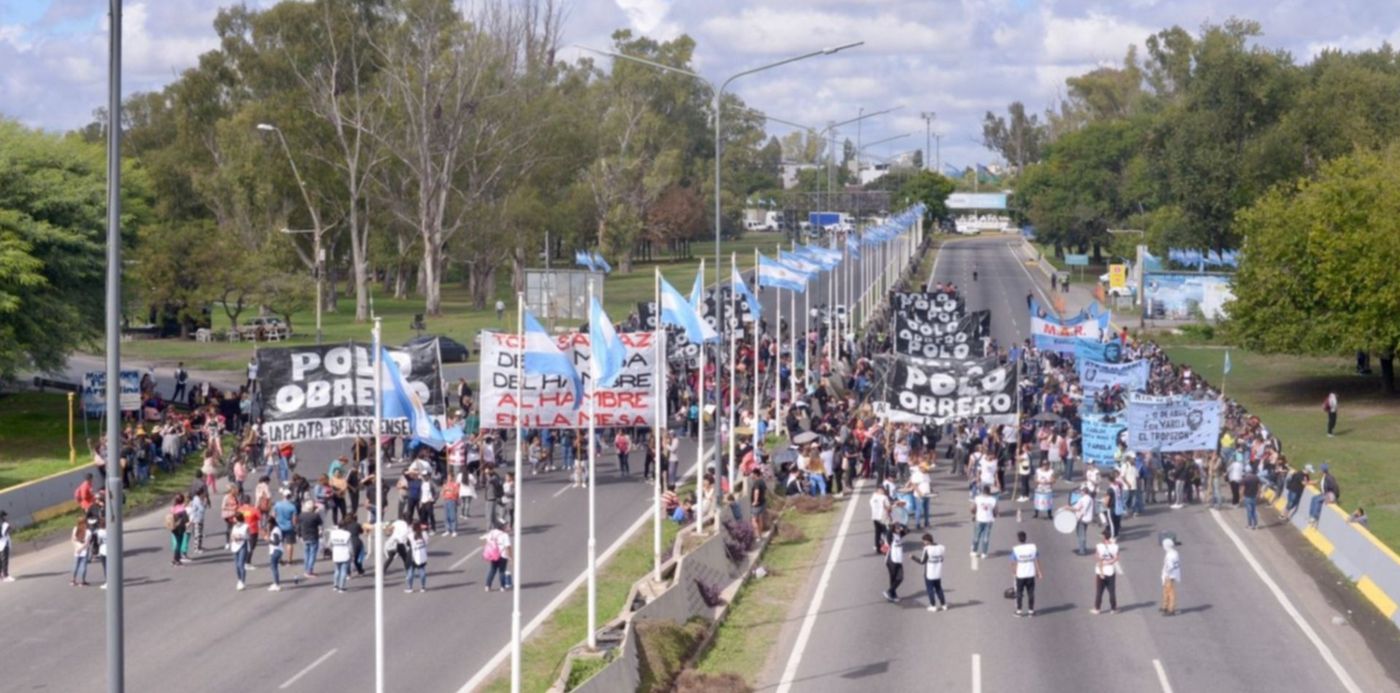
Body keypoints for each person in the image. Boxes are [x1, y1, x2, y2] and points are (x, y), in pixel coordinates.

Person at [912, 532, 947, 611]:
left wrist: (913, 557)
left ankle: (933, 605)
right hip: (938, 572)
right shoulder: (941, 547)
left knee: (930, 589)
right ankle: (943, 604)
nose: (923, 543)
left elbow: (922, 562)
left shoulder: (927, 549)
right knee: (939, 588)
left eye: (924, 541)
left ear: (927, 541)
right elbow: (942, 559)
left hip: (929, 573)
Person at [1011, 531, 1041, 617]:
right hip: (1030, 573)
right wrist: (1039, 572)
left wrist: (1014, 572)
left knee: (1019, 593)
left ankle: (1019, 611)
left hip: (1020, 574)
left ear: (1018, 539)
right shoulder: (1032, 548)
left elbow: (1013, 562)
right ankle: (1031, 611)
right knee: (1031, 593)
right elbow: (1037, 560)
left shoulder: (1016, 549)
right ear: (1026, 537)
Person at [1092, 530, 1120, 614]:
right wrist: (1110, 562)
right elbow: (1117, 557)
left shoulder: (1099, 546)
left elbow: (1096, 556)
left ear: (1104, 537)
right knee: (1111, 591)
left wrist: (1102, 561)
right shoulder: (1115, 546)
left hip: (1100, 570)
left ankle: (1097, 608)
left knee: (1099, 591)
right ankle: (1113, 609)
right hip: (1110, 570)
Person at [483, 523, 512, 592]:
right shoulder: (505, 535)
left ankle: (487, 586)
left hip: (493, 554)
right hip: (502, 555)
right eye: (506, 526)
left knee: (492, 570)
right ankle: (502, 586)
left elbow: (486, 540)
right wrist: (510, 557)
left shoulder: (492, 532)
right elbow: (508, 547)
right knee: (502, 571)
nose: (508, 527)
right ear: (503, 527)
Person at [298, 500, 323, 579]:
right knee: (312, 554)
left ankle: (306, 569)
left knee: (306, 553)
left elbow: (298, 526)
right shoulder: (315, 516)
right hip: (313, 536)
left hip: (305, 536)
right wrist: (317, 512)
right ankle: (309, 570)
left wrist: (299, 535)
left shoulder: (301, 515)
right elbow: (320, 523)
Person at [971, 485, 997, 558]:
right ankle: (984, 553)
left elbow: (972, 508)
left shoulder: (977, 498)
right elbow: (996, 510)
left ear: (983, 491)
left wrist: (973, 514)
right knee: (986, 537)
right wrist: (993, 516)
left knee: (976, 536)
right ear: (989, 492)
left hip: (979, 519)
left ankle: (974, 551)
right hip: (989, 520)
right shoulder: (993, 499)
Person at [883, 525, 906, 603]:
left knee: (899, 578)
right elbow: (889, 534)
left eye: (899, 528)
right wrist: (892, 527)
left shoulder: (899, 535)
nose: (899, 530)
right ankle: (892, 594)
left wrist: (901, 525)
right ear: (893, 529)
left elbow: (907, 530)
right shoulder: (891, 535)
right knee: (895, 578)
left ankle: (890, 592)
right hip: (891, 560)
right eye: (897, 528)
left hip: (898, 560)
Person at [329, 518, 353, 593]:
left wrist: (333, 550)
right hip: (344, 553)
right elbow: (350, 546)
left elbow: (329, 544)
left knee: (337, 570)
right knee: (343, 571)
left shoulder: (333, 533)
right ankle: (341, 587)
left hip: (336, 553)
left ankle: (335, 585)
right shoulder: (347, 534)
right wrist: (352, 554)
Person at [406, 523, 429, 593]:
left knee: (410, 572)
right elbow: (427, 542)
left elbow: (407, 544)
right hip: (422, 555)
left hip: (413, 556)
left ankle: (410, 588)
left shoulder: (410, 535)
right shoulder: (424, 534)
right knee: (422, 571)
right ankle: (423, 587)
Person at [1160, 537, 1181, 616]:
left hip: (1170, 575)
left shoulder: (1170, 555)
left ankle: (1171, 609)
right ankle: (1165, 606)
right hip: (1171, 574)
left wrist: (1167, 575)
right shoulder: (1174, 552)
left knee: (1170, 592)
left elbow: (1170, 566)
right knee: (1166, 590)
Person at [229, 511, 249, 591]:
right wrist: (233, 538)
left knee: (241, 564)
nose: (233, 519)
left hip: (242, 546)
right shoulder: (234, 527)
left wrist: (240, 537)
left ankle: (242, 582)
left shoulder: (246, 526)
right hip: (235, 546)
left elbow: (248, 537)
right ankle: (239, 579)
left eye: (235, 518)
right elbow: (231, 536)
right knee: (237, 565)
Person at [870, 486, 892, 553]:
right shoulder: (884, 497)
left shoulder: (873, 497)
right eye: (883, 490)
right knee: (886, 532)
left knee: (877, 533)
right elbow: (888, 508)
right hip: (883, 517)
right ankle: (885, 548)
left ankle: (877, 547)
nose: (883, 491)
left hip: (875, 517)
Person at [70, 517, 91, 587]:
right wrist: (81, 549)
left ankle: (73, 580)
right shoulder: (88, 531)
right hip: (84, 551)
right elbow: (86, 543)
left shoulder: (75, 529)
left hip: (76, 550)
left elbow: (72, 539)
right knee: (83, 566)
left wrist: (76, 548)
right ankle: (82, 581)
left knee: (75, 565)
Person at [1241, 465, 1261, 530]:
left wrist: (1241, 497)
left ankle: (1250, 525)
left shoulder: (1245, 479)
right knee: (1253, 511)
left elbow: (1243, 489)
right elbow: (1259, 487)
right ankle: (1256, 524)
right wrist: (1258, 494)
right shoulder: (1256, 477)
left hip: (1247, 497)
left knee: (1249, 511)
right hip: (1254, 496)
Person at [267, 524, 286, 592]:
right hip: (277, 551)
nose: (267, 526)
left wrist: (269, 540)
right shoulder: (277, 529)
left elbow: (276, 542)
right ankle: (276, 583)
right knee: (272, 567)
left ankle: (277, 585)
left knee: (274, 567)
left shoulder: (275, 531)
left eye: (268, 524)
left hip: (276, 551)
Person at [750, 468, 769, 535]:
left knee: (754, 520)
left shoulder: (757, 482)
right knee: (760, 519)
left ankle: (757, 535)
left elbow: (756, 492)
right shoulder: (762, 481)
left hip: (757, 505)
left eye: (752, 474)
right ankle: (760, 535)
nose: (751, 475)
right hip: (762, 502)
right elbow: (766, 491)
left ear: (755, 474)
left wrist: (755, 501)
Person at [0, 510, 13, 582]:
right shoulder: (5, 524)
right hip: (4, 544)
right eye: (6, 515)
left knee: (1, 561)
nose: (7, 517)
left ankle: (1, 576)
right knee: (5, 561)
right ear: (3, 516)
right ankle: (6, 576)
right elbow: (6, 533)